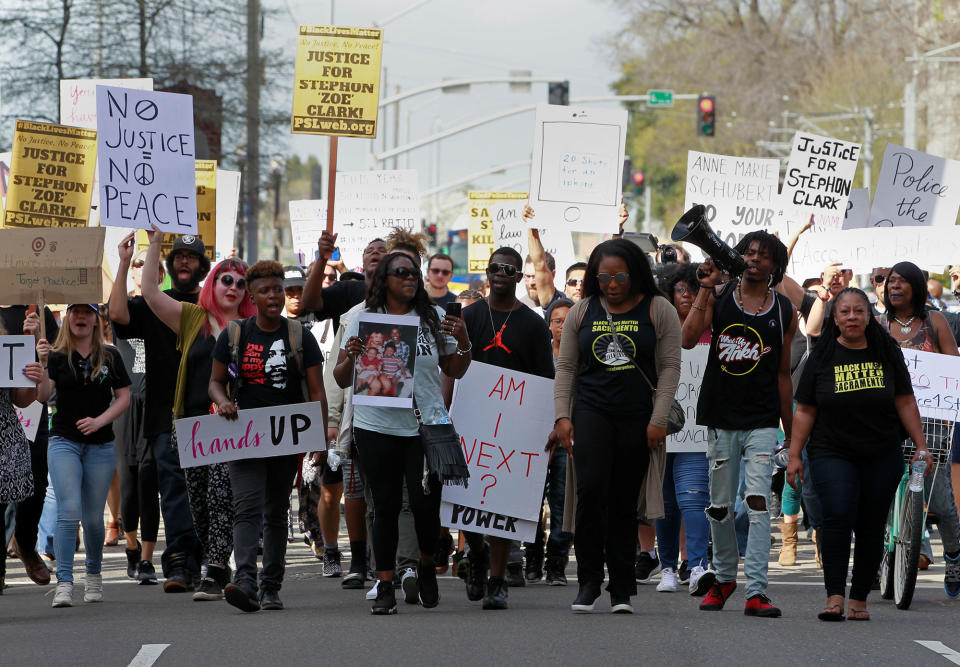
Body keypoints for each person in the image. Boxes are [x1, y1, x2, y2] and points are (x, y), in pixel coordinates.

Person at [334, 251, 471, 614]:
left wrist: (464, 338)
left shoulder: (433, 318)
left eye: (414, 273)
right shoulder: (362, 319)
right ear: (384, 279)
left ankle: (426, 563)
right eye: (401, 273)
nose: (411, 279)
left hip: (425, 425)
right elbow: (341, 377)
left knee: (426, 507)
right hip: (376, 426)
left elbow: (455, 369)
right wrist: (351, 356)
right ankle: (385, 584)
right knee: (386, 506)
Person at [553, 238, 681, 614]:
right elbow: (567, 368)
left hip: (638, 418)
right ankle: (589, 582)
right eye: (604, 276)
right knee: (591, 494)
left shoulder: (659, 309)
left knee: (625, 501)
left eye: (620, 276)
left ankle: (622, 588)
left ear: (635, 273)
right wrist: (563, 415)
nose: (612, 284)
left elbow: (670, 367)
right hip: (591, 413)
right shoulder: (582, 311)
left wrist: (658, 420)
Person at [787, 287, 928, 621]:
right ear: (835, 318)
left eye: (858, 311)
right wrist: (794, 455)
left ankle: (859, 597)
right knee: (836, 517)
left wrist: (921, 445)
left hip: (881, 452)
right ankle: (834, 595)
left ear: (868, 316)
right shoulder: (822, 354)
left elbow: (905, 401)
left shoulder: (886, 351)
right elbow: (805, 409)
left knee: (871, 525)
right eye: (845, 312)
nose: (852, 317)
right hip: (831, 451)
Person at [682, 230, 797, 618]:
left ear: (775, 266)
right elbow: (686, 339)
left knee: (758, 503)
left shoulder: (783, 310)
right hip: (720, 417)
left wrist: (791, 434)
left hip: (762, 421)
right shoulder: (718, 297)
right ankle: (726, 578)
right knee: (718, 507)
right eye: (747, 252)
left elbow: (783, 374)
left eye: (762, 255)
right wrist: (704, 289)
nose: (752, 259)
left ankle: (758, 590)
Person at [141, 229, 255, 601]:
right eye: (227, 279)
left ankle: (215, 569)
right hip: (189, 425)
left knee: (223, 495)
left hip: (233, 424)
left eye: (241, 283)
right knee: (199, 503)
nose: (234, 287)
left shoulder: (253, 329)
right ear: (213, 284)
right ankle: (215, 561)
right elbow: (151, 295)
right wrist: (155, 243)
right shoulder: (193, 318)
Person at [209, 261, 327, 612]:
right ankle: (245, 580)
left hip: (286, 436)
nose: (274, 296)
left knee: (276, 512)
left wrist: (318, 441)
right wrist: (223, 401)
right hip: (244, 435)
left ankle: (271, 586)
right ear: (252, 296)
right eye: (265, 291)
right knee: (246, 508)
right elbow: (215, 382)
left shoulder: (298, 335)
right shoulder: (234, 335)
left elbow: (317, 391)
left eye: (278, 288)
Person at [443, 247, 554, 609]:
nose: (501, 273)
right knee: (466, 497)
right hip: (470, 421)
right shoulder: (468, 316)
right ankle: (475, 552)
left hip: (515, 425)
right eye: (495, 267)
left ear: (520, 277)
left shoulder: (534, 325)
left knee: (504, 503)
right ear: (487, 273)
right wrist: (443, 415)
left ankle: (496, 578)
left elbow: (544, 380)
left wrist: (546, 424)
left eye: (509, 269)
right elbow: (449, 367)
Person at [110, 232, 208, 592]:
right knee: (175, 491)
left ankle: (207, 559)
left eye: (192, 256)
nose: (184, 261)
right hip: (166, 415)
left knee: (206, 492)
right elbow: (118, 314)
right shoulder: (157, 303)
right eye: (178, 255)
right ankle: (180, 563)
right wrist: (124, 262)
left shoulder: (210, 305)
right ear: (169, 263)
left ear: (202, 266)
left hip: (210, 414)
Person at [37, 305, 131, 607]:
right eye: (75, 312)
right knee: (69, 511)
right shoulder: (55, 355)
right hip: (64, 440)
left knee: (93, 519)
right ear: (67, 319)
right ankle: (64, 582)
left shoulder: (111, 355)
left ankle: (93, 574)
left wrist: (100, 421)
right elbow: (41, 396)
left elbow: (124, 396)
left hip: (101, 444)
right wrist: (40, 364)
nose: (80, 317)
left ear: (96, 320)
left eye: (87, 312)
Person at [881, 261, 960, 596]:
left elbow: (952, 367)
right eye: (890, 282)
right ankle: (884, 555)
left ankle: (955, 557)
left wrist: (947, 415)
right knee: (882, 495)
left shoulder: (935, 321)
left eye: (901, 281)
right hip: (884, 423)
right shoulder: (878, 325)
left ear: (915, 285)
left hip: (930, 425)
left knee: (940, 500)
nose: (894, 286)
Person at [654, 264, 715, 595]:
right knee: (663, 503)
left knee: (693, 499)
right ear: (669, 293)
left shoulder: (714, 333)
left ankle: (697, 566)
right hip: (661, 430)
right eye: (681, 289)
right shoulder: (659, 332)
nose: (688, 294)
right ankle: (666, 568)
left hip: (697, 432)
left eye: (694, 288)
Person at [112, 255, 163, 585]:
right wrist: (122, 261)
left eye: (151, 267)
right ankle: (130, 546)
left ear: (160, 274)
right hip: (126, 406)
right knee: (129, 488)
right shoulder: (126, 308)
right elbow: (114, 311)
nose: (143, 272)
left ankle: (146, 558)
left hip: (156, 406)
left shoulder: (168, 310)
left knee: (150, 483)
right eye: (137, 267)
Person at [0, 305, 58, 589]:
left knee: (33, 485)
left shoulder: (38, 310)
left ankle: (25, 543)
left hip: (13, 427)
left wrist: (38, 362)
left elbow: (24, 397)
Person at [524, 296, 575, 585]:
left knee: (562, 501)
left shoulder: (582, 356)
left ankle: (556, 564)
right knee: (530, 503)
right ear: (549, 326)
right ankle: (532, 558)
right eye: (557, 321)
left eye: (568, 321)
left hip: (567, 440)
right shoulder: (537, 355)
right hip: (535, 438)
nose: (562, 326)